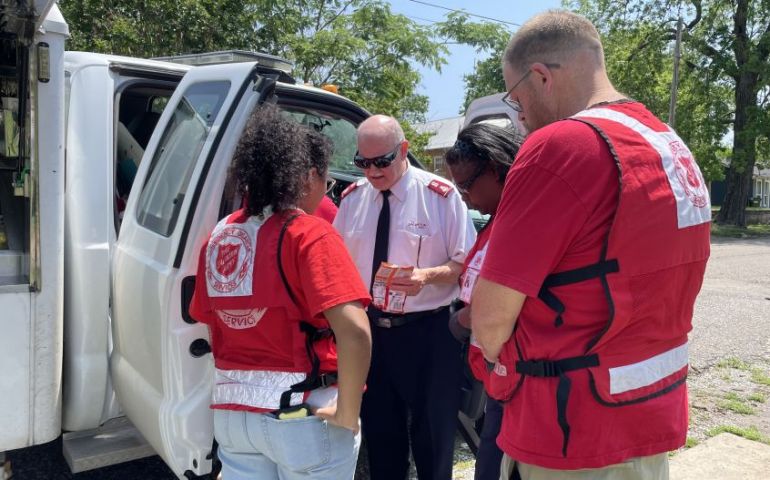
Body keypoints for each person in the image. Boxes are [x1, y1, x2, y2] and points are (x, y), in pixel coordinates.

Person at [470, 10, 711, 480]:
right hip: (646, 410)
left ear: (540, 77)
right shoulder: (668, 142)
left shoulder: (562, 146)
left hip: (567, 429)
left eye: (516, 99)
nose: (519, 117)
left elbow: (491, 319)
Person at [189, 104, 372, 480]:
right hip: (299, 413)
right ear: (307, 177)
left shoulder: (219, 236)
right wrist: (348, 411)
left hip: (233, 417)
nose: (327, 190)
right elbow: (355, 331)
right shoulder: (308, 234)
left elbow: (214, 324)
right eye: (327, 181)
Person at [333, 114, 476, 479]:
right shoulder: (351, 202)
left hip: (428, 332)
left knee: (433, 440)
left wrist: (427, 277)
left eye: (382, 161)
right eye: (363, 163)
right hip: (371, 333)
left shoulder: (439, 197)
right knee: (381, 438)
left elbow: (467, 264)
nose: (373, 171)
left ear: (404, 151)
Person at [445, 123, 524, 480]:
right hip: (496, 379)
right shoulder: (496, 222)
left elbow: (510, 298)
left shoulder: (523, 223)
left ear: (494, 168)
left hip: (522, 385)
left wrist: (464, 320)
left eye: (466, 185)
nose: (462, 196)